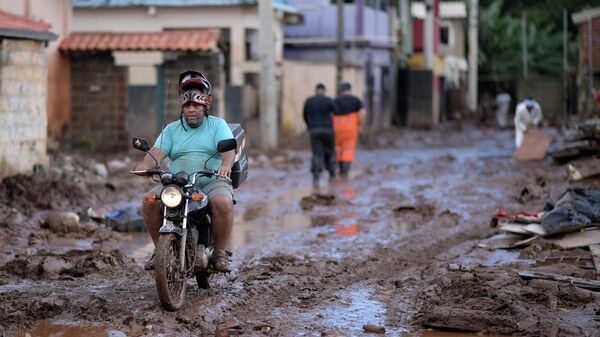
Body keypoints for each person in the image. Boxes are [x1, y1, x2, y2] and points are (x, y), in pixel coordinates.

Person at [135, 70, 235, 273]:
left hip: (210, 180)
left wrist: (226, 166)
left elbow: (229, 151)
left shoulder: (217, 125)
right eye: (187, 105)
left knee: (223, 202)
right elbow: (155, 153)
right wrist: (145, 165)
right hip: (176, 183)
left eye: (196, 105)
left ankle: (220, 253)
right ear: (182, 106)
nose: (191, 110)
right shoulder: (172, 129)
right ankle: (159, 251)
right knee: (149, 202)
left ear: (205, 105)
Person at [303, 83, 337, 189]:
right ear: (324, 90)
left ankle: (316, 177)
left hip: (315, 130)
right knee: (330, 151)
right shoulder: (329, 100)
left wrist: (310, 126)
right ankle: (332, 175)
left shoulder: (309, 101)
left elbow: (304, 115)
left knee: (317, 153)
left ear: (315, 90)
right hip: (328, 130)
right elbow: (336, 112)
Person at [333, 82, 366, 179]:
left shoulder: (335, 100)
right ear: (350, 90)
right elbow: (362, 113)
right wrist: (360, 124)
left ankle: (339, 169)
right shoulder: (355, 100)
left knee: (338, 148)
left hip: (337, 126)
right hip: (350, 126)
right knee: (348, 148)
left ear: (341, 90)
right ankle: (345, 171)